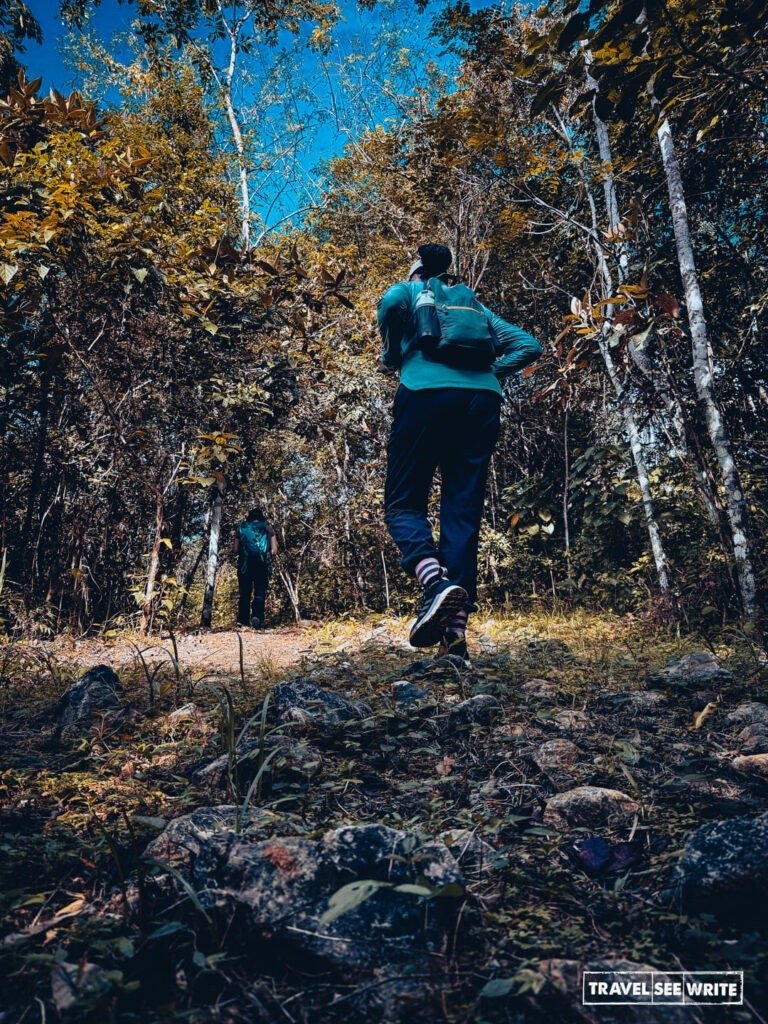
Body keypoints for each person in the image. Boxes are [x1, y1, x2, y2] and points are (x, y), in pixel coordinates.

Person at [377, 243, 542, 663]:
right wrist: (490, 374)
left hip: (424, 394)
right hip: (481, 403)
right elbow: (529, 346)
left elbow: (390, 301)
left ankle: (434, 584)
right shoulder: (475, 310)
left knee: (402, 503)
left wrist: (391, 352)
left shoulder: (413, 292)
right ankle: (455, 643)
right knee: (461, 511)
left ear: (418, 274)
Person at [234, 508, 279, 628]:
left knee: (244, 593)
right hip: (261, 565)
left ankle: (243, 621)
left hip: (244, 565)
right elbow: (274, 551)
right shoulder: (268, 528)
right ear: (262, 517)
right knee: (259, 592)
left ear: (249, 517)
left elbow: (235, 549)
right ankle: (257, 618)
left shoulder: (241, 528)